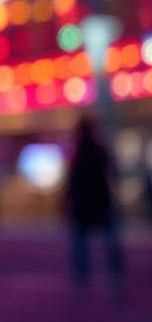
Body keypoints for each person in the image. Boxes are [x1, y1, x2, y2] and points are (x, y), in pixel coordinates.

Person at [67, 116, 124, 290]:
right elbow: (114, 172)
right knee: (109, 242)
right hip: (100, 202)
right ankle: (116, 274)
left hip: (84, 205)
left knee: (81, 245)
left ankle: (81, 279)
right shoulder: (98, 149)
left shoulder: (78, 153)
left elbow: (73, 182)